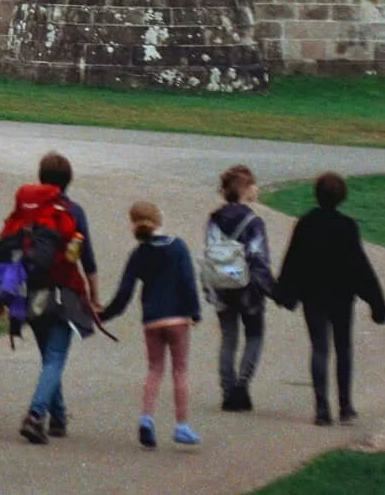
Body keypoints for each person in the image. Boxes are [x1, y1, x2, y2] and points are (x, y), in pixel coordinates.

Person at [273, 171, 385, 426]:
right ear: (342, 197)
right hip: (341, 296)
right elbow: (360, 266)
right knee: (344, 348)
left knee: (319, 348)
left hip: (313, 296)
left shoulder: (306, 223)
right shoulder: (347, 226)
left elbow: (294, 261)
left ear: (316, 194)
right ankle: (346, 406)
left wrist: (283, 291)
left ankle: (322, 409)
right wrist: (376, 301)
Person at [101, 201, 204, 448]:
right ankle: (181, 425)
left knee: (154, 369)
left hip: (152, 319)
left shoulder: (138, 254)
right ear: (160, 219)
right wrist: (195, 312)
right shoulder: (177, 247)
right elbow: (189, 282)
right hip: (177, 317)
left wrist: (104, 315)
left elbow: (124, 294)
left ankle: (147, 418)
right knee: (179, 371)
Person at [19, 151, 101, 444]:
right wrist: (94, 296)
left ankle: (59, 416)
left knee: (49, 358)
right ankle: (36, 415)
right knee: (54, 359)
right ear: (69, 180)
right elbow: (87, 259)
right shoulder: (74, 212)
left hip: (35, 291)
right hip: (65, 291)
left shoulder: (29, 210)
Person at [205, 164, 277, 412]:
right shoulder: (254, 222)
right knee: (254, 336)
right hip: (248, 290)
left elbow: (212, 252)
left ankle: (227, 390)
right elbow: (258, 258)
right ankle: (242, 386)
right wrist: (271, 289)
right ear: (246, 190)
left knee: (228, 339)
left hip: (222, 284)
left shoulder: (214, 219)